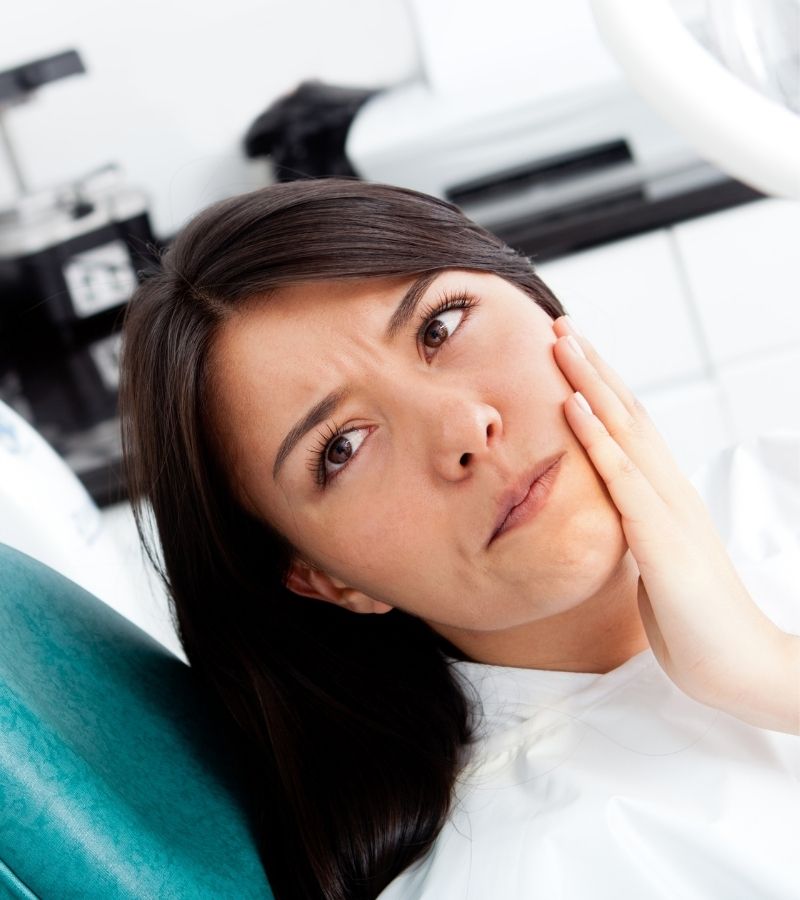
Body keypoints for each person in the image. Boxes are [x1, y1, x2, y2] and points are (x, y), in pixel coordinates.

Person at [119, 178, 799, 900]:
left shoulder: (774, 477)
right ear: (324, 579)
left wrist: (769, 670)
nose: (462, 429)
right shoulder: (523, 873)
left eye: (439, 327)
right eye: (343, 447)